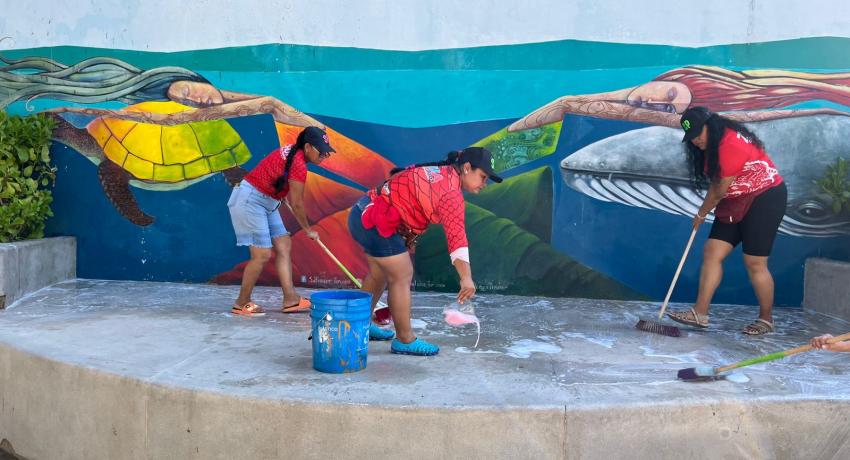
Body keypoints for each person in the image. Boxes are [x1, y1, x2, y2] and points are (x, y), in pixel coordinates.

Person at [347, 147, 502, 356]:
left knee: (379, 274)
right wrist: (466, 278)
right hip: (374, 220)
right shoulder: (451, 194)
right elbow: (457, 239)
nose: (485, 184)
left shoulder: (441, 171)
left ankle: (359, 326)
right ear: (466, 168)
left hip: (362, 211)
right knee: (402, 275)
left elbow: (405, 192)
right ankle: (405, 340)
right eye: (483, 177)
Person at [666, 107, 787, 335]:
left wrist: (701, 214)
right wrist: (703, 212)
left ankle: (766, 319)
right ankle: (699, 313)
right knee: (712, 250)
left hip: (764, 198)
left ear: (709, 126)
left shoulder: (729, 143)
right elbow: (720, 185)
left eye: (697, 135)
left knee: (754, 263)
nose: (694, 142)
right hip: (736, 198)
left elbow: (719, 189)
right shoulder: (712, 144)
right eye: (690, 139)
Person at [507, 65, 850, 132]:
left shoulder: (657, 111)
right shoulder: (646, 90)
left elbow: (748, 118)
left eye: (665, 108)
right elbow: (568, 100)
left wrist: (819, 106)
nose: (653, 101)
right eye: (668, 94)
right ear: (670, 77)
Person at [227, 126, 334, 316]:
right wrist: (308, 229)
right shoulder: (299, 164)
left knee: (283, 244)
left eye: (327, 152)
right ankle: (241, 303)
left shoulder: (295, 153)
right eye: (321, 151)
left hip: (267, 200)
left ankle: (291, 299)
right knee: (261, 255)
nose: (325, 155)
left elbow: (274, 173)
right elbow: (298, 204)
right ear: (308, 147)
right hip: (251, 200)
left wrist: (278, 191)